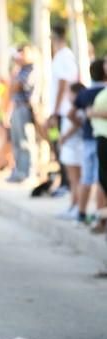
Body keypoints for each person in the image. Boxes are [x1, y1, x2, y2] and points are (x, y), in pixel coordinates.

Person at [69, 59, 106, 227]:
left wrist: (81, 124)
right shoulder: (103, 92)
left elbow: (71, 113)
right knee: (101, 179)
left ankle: (82, 213)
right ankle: (100, 215)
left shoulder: (85, 94)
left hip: (89, 139)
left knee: (87, 178)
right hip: (100, 138)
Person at [47, 24, 79, 195]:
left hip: (62, 111)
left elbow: (62, 85)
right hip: (60, 110)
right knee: (57, 144)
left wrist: (55, 111)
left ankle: (67, 184)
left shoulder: (63, 57)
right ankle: (64, 181)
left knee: (62, 146)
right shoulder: (63, 56)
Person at [7, 44, 38, 183]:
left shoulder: (32, 68)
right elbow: (11, 87)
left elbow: (17, 86)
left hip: (25, 107)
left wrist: (14, 80)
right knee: (17, 141)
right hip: (17, 106)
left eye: (23, 53)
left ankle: (28, 172)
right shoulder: (20, 69)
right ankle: (19, 171)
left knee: (25, 141)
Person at [56, 82, 85, 219]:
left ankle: (77, 207)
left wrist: (64, 137)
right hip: (72, 146)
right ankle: (73, 206)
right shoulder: (77, 107)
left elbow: (76, 125)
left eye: (69, 92)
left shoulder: (79, 108)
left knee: (76, 179)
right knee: (73, 179)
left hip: (75, 147)